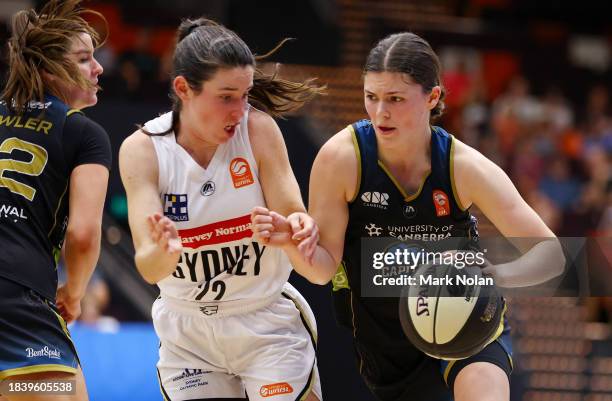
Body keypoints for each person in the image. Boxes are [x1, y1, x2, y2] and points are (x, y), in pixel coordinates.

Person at [252, 32, 565, 401]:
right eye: (371, 97)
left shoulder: (463, 166)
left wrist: (497, 274)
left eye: (396, 99)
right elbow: (322, 270)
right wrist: (293, 242)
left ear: (432, 97)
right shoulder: (342, 159)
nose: (380, 112)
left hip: (465, 318)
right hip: (386, 343)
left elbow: (553, 255)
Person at [119, 18, 324, 401]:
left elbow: (295, 218)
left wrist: (297, 226)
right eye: (227, 96)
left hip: (264, 321)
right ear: (183, 88)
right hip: (188, 335)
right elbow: (148, 266)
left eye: (245, 95)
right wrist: (162, 253)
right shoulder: (142, 149)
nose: (240, 109)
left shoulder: (259, 131)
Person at [0, 1, 110, 400]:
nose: (98, 68)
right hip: (18, 298)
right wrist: (75, 294)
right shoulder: (83, 133)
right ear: (49, 70)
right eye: (84, 59)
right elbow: (82, 236)